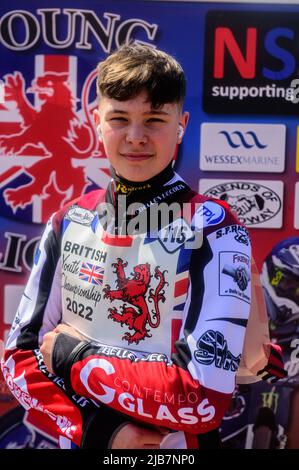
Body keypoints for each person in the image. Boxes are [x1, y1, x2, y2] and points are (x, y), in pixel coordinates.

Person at [1, 44, 284, 450]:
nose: (136, 137)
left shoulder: (213, 227)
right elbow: (19, 358)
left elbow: (201, 400)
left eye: (154, 119)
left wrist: (73, 354)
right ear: (96, 122)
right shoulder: (69, 221)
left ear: (181, 124)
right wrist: (101, 431)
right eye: (119, 118)